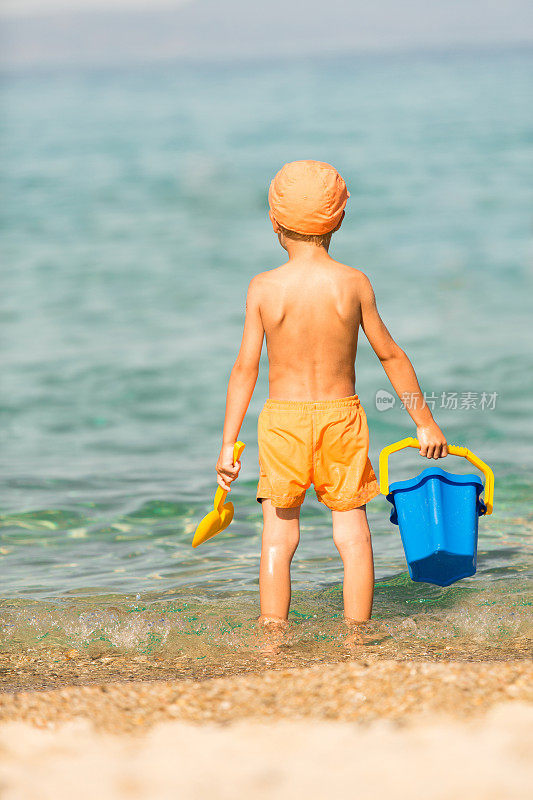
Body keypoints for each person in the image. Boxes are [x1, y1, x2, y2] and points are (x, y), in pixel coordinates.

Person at [215, 160, 447, 627]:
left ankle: (273, 631)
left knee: (279, 536)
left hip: (283, 421)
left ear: (274, 221)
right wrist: (424, 421)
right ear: (339, 218)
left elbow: (245, 368)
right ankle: (358, 633)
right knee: (352, 534)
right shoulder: (353, 283)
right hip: (342, 419)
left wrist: (227, 442)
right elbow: (391, 356)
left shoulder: (264, 288)